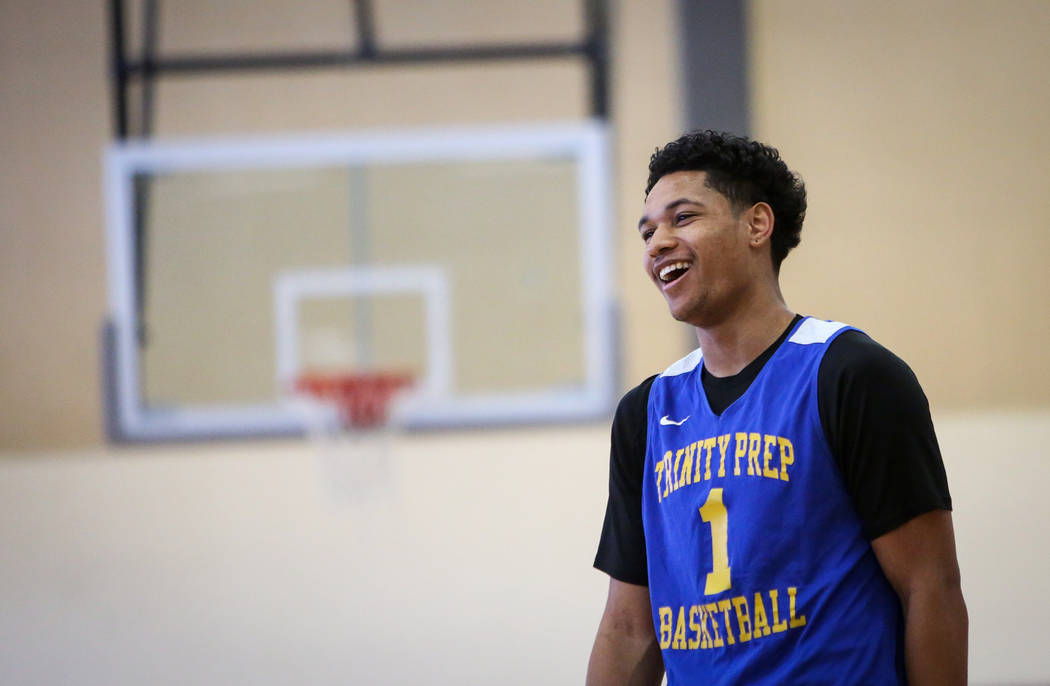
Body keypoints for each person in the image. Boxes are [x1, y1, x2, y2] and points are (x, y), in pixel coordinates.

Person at [586, 131, 967, 685]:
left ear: (756, 226)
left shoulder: (851, 374)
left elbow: (930, 586)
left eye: (682, 218)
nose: (657, 242)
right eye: (647, 231)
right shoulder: (645, 413)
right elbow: (627, 628)